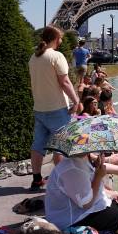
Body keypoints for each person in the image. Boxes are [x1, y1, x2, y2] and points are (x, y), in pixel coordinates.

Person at [28, 26, 81, 192]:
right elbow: (64, 82)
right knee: (61, 146)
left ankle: (36, 180)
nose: (62, 41)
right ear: (56, 38)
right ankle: (62, 180)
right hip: (57, 108)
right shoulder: (56, 56)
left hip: (40, 108)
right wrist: (76, 100)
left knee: (38, 146)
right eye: (61, 38)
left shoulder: (34, 58)